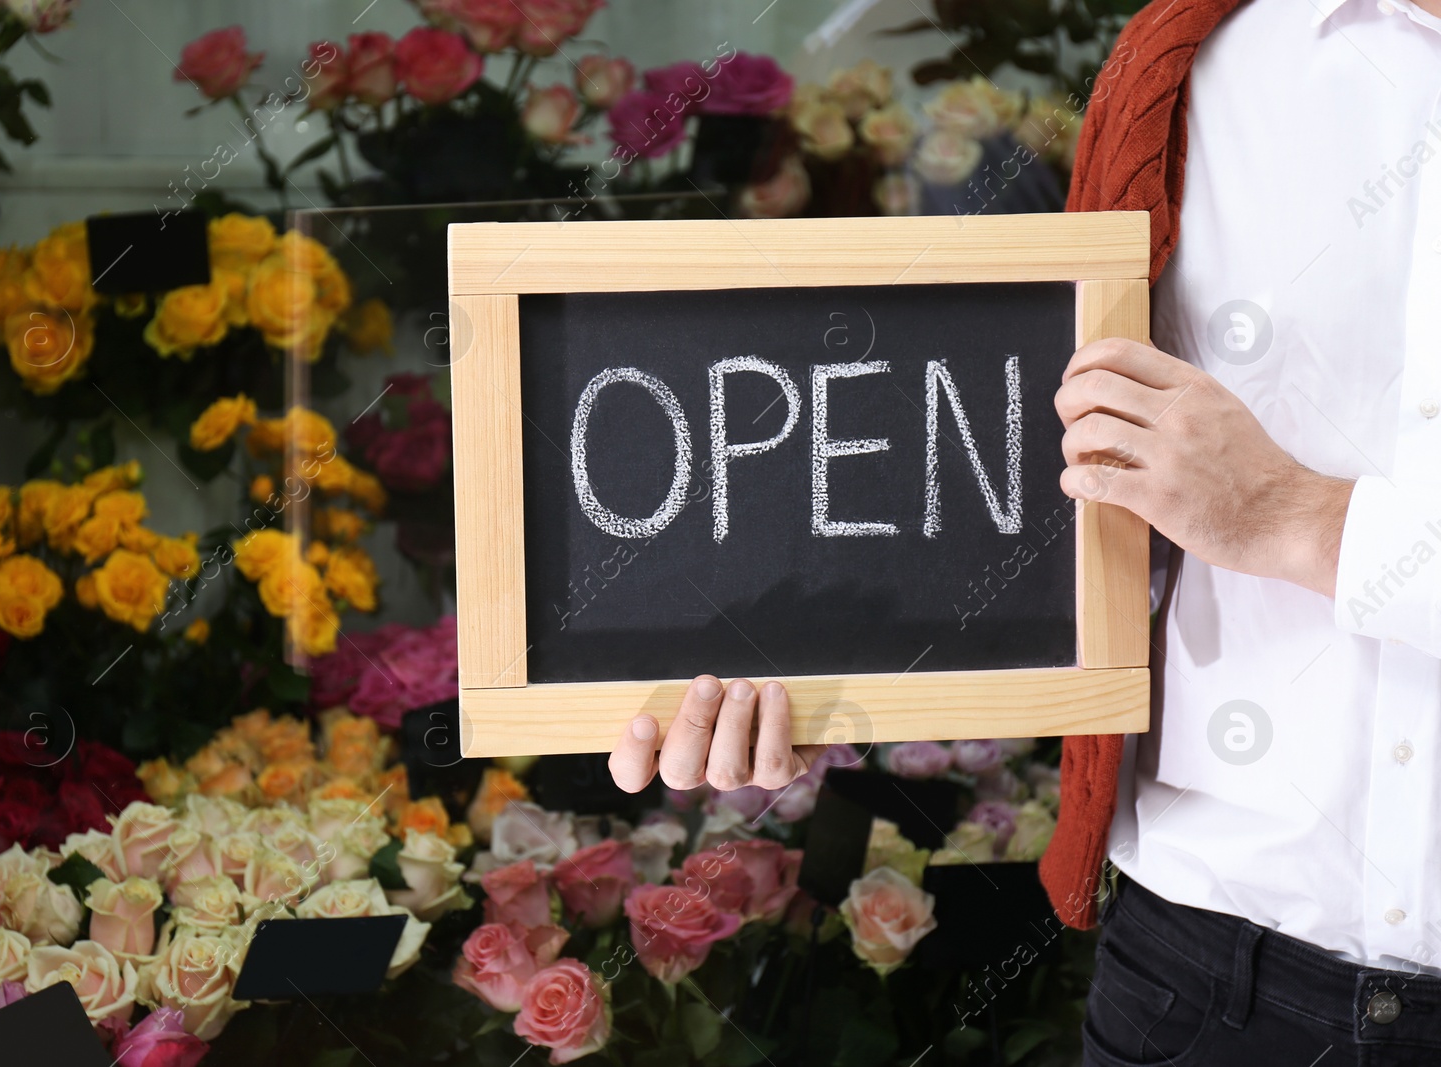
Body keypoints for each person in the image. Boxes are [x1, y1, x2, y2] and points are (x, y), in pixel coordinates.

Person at [611, 0, 1441, 1061]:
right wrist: (845, 652)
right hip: (1199, 982)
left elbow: (1243, 502)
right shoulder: (1193, 60)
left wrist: (1303, 521)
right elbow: (1068, 484)